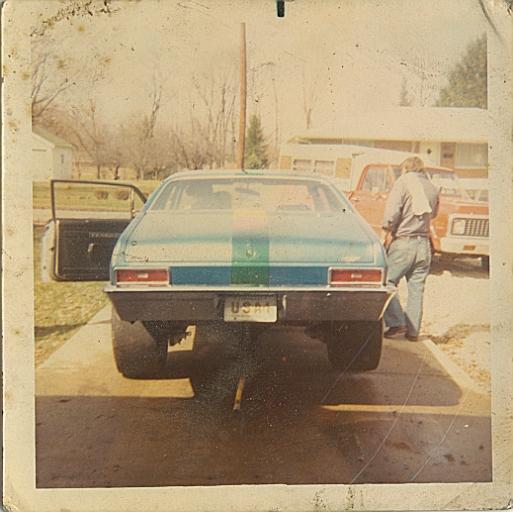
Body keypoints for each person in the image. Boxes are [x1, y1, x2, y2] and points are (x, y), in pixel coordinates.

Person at [382, 156, 440, 341]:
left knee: (386, 282)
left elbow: (392, 213)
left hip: (404, 242)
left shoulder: (403, 182)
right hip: (424, 244)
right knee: (416, 288)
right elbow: (434, 213)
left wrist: (386, 231)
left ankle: (396, 322)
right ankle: (413, 332)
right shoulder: (431, 186)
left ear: (405, 168)